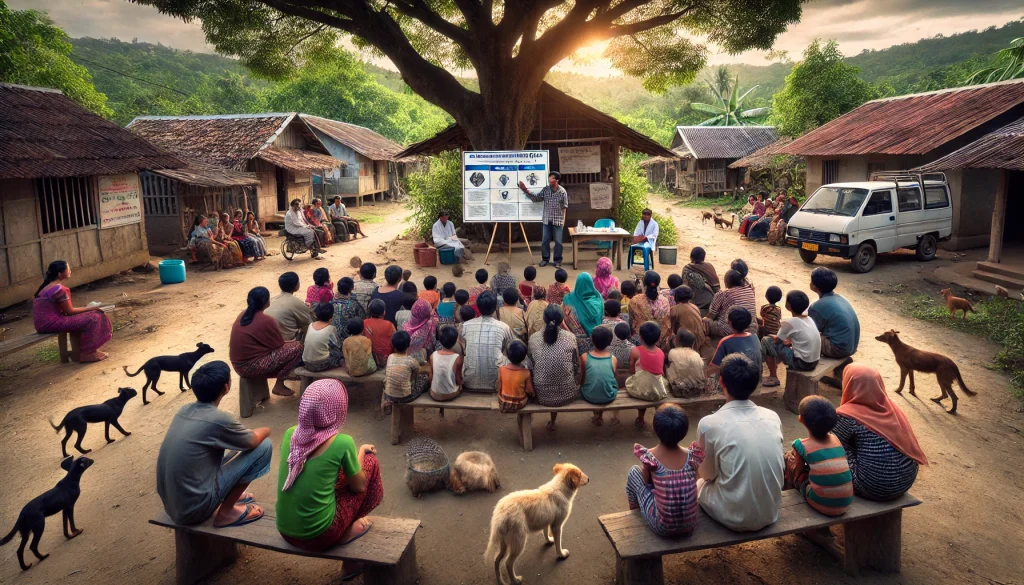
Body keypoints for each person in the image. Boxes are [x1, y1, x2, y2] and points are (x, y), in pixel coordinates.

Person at [275, 380, 381, 575]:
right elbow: (359, 486)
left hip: (284, 530)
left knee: (336, 472)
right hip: (320, 537)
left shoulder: (291, 434)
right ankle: (348, 532)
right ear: (338, 408)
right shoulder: (342, 442)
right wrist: (363, 453)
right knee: (369, 464)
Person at [156, 361, 272, 527]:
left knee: (230, 451)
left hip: (174, 506)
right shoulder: (220, 420)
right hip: (195, 510)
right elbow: (252, 440)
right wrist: (267, 429)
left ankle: (227, 493)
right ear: (226, 387)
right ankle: (226, 512)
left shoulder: (184, 410)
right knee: (263, 446)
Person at [696, 354, 783, 531]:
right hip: (770, 512)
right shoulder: (772, 417)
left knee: (696, 483)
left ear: (721, 382)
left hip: (732, 517)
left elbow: (707, 475)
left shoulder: (708, 424)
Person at [833, 364, 926, 501]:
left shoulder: (846, 415)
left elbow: (830, 442)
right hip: (905, 482)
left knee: (831, 448)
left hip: (873, 487)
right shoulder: (890, 408)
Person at [626, 404, 705, 537]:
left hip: (662, 527)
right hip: (691, 524)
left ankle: (635, 512)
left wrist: (649, 470)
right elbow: (697, 479)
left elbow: (645, 483)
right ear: (684, 432)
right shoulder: (692, 456)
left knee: (634, 472)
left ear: (656, 429)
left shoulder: (650, 457)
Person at [784, 396, 853, 516]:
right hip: (845, 502)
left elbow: (798, 468)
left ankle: (788, 500)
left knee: (789, 461)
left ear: (800, 419)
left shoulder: (800, 444)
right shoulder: (836, 439)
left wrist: (796, 477)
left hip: (822, 503)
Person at [33, 260, 112, 362]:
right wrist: (92, 308)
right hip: (51, 324)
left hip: (42, 325)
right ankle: (87, 353)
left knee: (92, 314)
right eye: (68, 269)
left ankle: (89, 351)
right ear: (60, 274)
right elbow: (69, 312)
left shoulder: (45, 288)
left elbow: (66, 312)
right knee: (95, 317)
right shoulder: (59, 289)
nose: (70, 271)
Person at [230, 287, 303, 397]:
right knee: (298, 347)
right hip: (251, 366)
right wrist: (292, 343)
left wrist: (287, 342)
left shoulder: (243, 314)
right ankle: (279, 383)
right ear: (266, 302)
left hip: (238, 365)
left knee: (292, 345)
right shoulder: (266, 320)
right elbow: (278, 345)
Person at [528, 305, 580, 427]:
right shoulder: (570, 337)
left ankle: (551, 422)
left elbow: (531, 365)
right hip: (568, 394)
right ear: (562, 319)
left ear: (544, 318)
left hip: (541, 395)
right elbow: (576, 364)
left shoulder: (533, 339)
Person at [761, 290, 821, 387]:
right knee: (785, 343)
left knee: (766, 341)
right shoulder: (809, 319)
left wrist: (770, 335)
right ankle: (775, 366)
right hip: (814, 361)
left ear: (788, 305)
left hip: (801, 363)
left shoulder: (788, 323)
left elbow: (777, 340)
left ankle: (773, 377)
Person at [461, 292, 514, 392]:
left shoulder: (466, 325)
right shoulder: (503, 327)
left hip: (469, 382)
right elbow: (511, 349)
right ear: (495, 307)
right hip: (495, 383)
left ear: (478, 307)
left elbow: (464, 349)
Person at [808, 267, 861, 358]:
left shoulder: (817, 306)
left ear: (815, 286)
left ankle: (803, 360)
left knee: (804, 334)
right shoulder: (841, 298)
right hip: (852, 346)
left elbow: (810, 330)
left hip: (839, 349)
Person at [519, 171, 568, 267]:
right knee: (545, 240)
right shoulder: (545, 190)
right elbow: (536, 198)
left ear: (557, 180)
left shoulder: (562, 192)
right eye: (549, 177)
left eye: (552, 178)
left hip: (558, 220)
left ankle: (557, 260)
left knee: (558, 242)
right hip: (546, 220)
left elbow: (564, 207)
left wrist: (563, 220)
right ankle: (545, 259)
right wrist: (525, 190)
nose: (550, 179)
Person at [626, 322, 668, 427]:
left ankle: (640, 418)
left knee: (640, 384)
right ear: (658, 339)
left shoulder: (636, 351)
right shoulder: (661, 352)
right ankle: (659, 418)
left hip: (642, 390)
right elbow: (660, 371)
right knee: (655, 383)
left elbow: (631, 371)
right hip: (658, 389)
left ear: (640, 337)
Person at [707, 308, 762, 380]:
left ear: (729, 323)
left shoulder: (725, 341)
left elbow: (715, 366)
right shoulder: (754, 336)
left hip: (736, 382)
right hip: (756, 380)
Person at [580, 327, 618, 425]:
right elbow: (613, 378)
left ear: (591, 338)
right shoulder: (613, 359)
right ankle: (600, 415)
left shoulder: (584, 357)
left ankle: (596, 414)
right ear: (609, 342)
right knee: (604, 386)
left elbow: (582, 378)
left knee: (590, 386)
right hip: (609, 396)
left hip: (589, 396)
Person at [703, 269, 757, 338]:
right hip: (752, 329)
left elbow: (711, 315)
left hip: (730, 330)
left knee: (705, 321)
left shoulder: (723, 294)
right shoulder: (749, 289)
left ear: (727, 282)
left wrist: (706, 320)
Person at [264, 272, 312, 343]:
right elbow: (309, 322)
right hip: (284, 344)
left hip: (268, 341)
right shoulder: (296, 302)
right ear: (296, 285)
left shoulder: (272, 300)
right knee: (310, 328)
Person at [383, 331, 428, 407]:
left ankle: (385, 402)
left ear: (393, 345)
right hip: (405, 398)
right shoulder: (411, 360)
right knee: (424, 378)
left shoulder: (390, 357)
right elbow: (418, 371)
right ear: (408, 345)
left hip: (389, 396)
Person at [628, 271, 672, 349]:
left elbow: (631, 320)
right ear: (658, 284)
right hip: (660, 341)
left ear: (644, 284)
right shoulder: (665, 301)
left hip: (641, 340)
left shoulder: (635, 301)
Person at [562, 272, 604, 349]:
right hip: (599, 340)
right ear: (591, 283)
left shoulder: (568, 298)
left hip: (576, 342)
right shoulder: (599, 298)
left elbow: (564, 318)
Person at [302, 303, 344, 372]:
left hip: (306, 362)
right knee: (339, 355)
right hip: (321, 364)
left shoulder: (311, 325)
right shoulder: (331, 329)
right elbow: (338, 345)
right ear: (331, 317)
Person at [667, 329, 707, 398]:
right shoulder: (696, 354)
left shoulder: (672, 352)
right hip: (697, 390)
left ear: (678, 341)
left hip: (678, 390)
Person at [497, 340, 534, 413]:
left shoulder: (501, 369)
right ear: (523, 358)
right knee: (531, 397)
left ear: (507, 356)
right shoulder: (526, 372)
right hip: (519, 404)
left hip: (503, 401)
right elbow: (529, 391)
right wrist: (533, 395)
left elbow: (499, 387)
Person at [429, 326, 463, 402]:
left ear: (440, 341)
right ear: (455, 342)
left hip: (434, 394)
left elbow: (432, 376)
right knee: (460, 386)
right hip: (449, 394)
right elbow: (458, 379)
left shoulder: (432, 355)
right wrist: (461, 384)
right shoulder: (457, 358)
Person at [682, 247, 720, 313]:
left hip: (695, 304)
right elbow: (716, 286)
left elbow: (685, 288)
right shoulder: (709, 266)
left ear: (691, 257)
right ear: (703, 257)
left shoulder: (687, 269)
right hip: (711, 301)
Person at [669, 286, 706, 350]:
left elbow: (671, 328)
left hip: (688, 344)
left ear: (676, 297)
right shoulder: (694, 306)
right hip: (700, 340)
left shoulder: (675, 309)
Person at [330, 277, 365, 342]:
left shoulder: (331, 303)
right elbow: (362, 318)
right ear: (352, 288)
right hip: (349, 339)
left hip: (333, 338)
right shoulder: (354, 304)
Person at [364, 299, 396, 368]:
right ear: (384, 312)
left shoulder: (364, 323)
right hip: (387, 359)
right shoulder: (389, 324)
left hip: (371, 359)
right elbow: (395, 342)